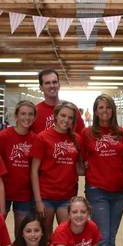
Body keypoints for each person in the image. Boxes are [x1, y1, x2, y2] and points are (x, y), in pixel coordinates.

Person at [80, 95, 123, 246]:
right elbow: (80, 160)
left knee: (112, 239)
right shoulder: (87, 133)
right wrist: (91, 171)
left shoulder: (120, 133)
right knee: (103, 239)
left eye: (108, 107)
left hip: (119, 191)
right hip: (97, 190)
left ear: (113, 110)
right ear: (96, 111)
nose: (105, 111)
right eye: (101, 107)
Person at [31, 101, 81, 237]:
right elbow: (34, 171)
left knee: (66, 235)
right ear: (56, 116)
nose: (66, 120)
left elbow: (77, 168)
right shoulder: (42, 137)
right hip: (46, 195)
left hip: (67, 196)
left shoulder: (77, 139)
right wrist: (38, 201)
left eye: (70, 117)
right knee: (45, 236)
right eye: (63, 115)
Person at [0, 100, 37, 231]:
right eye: (23, 114)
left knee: (22, 232)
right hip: (3, 191)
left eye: (30, 114)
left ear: (34, 117)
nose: (27, 117)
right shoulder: (3, 136)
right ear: (16, 116)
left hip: (24, 193)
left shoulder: (35, 139)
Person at [31, 69, 85, 134]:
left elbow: (82, 134)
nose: (52, 86)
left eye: (54, 82)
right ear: (41, 88)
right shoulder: (34, 111)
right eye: (47, 83)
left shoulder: (71, 109)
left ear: (59, 85)